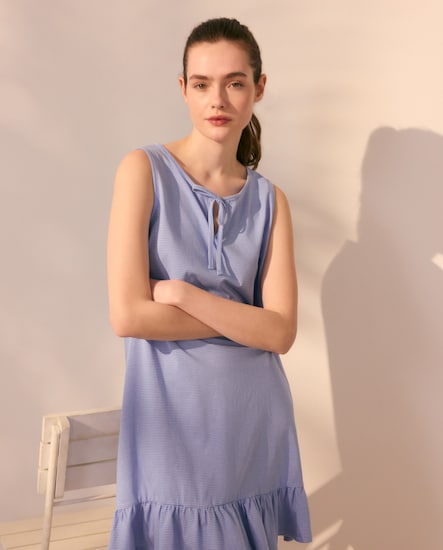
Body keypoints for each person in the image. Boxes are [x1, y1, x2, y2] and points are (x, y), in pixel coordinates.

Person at [107, 17, 312, 550]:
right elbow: (128, 315)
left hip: (252, 431)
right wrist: (245, 322)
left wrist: (182, 294)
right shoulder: (143, 170)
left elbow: (281, 333)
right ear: (183, 88)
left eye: (234, 82)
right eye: (201, 83)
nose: (217, 99)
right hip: (169, 431)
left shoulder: (271, 201)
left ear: (258, 88)